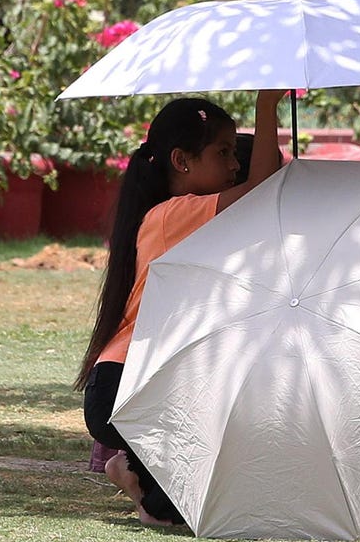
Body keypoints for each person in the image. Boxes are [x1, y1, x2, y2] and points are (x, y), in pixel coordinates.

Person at [75, 91, 286, 526]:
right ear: (182, 161)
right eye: (223, 152)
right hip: (126, 386)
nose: (233, 164)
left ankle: (134, 468)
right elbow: (263, 188)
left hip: (140, 383)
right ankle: (137, 475)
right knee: (178, 515)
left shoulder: (187, 216)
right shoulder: (174, 215)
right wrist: (267, 107)